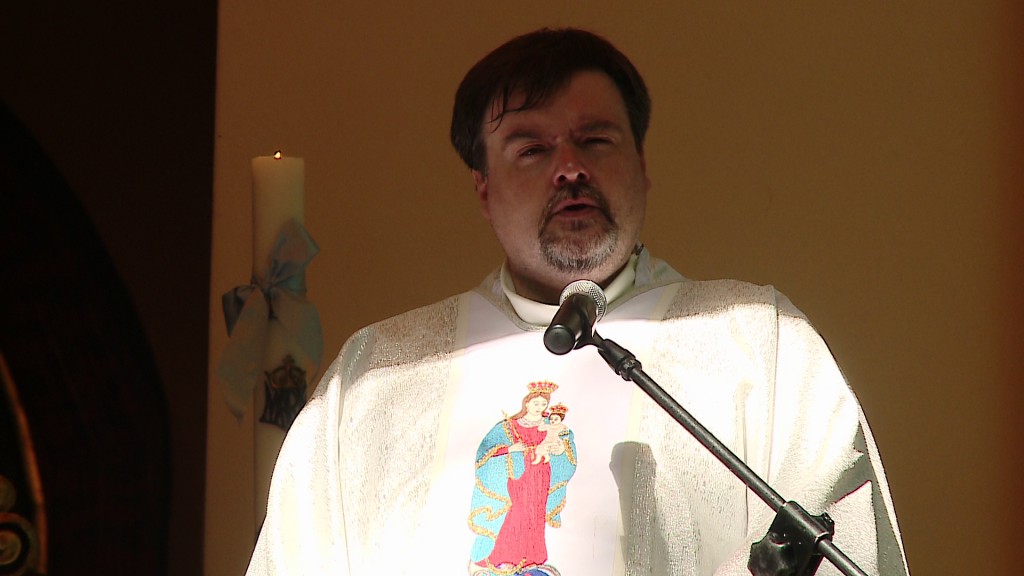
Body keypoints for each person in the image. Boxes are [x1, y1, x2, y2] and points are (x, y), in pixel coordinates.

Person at [246, 28, 909, 576]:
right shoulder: (376, 377)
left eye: (595, 139)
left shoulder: (756, 342)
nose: (569, 168)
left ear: (642, 165)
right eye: (531, 148)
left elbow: (832, 535)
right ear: (483, 189)